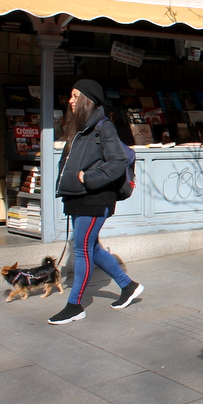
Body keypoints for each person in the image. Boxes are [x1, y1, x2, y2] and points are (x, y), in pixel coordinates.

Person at [49, 79, 143, 325]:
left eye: (75, 95)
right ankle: (128, 286)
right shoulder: (80, 128)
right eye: (70, 95)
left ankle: (74, 305)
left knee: (81, 249)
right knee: (92, 248)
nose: (70, 100)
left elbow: (118, 161)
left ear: (88, 100)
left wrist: (88, 177)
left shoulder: (104, 127)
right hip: (79, 196)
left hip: (95, 197)